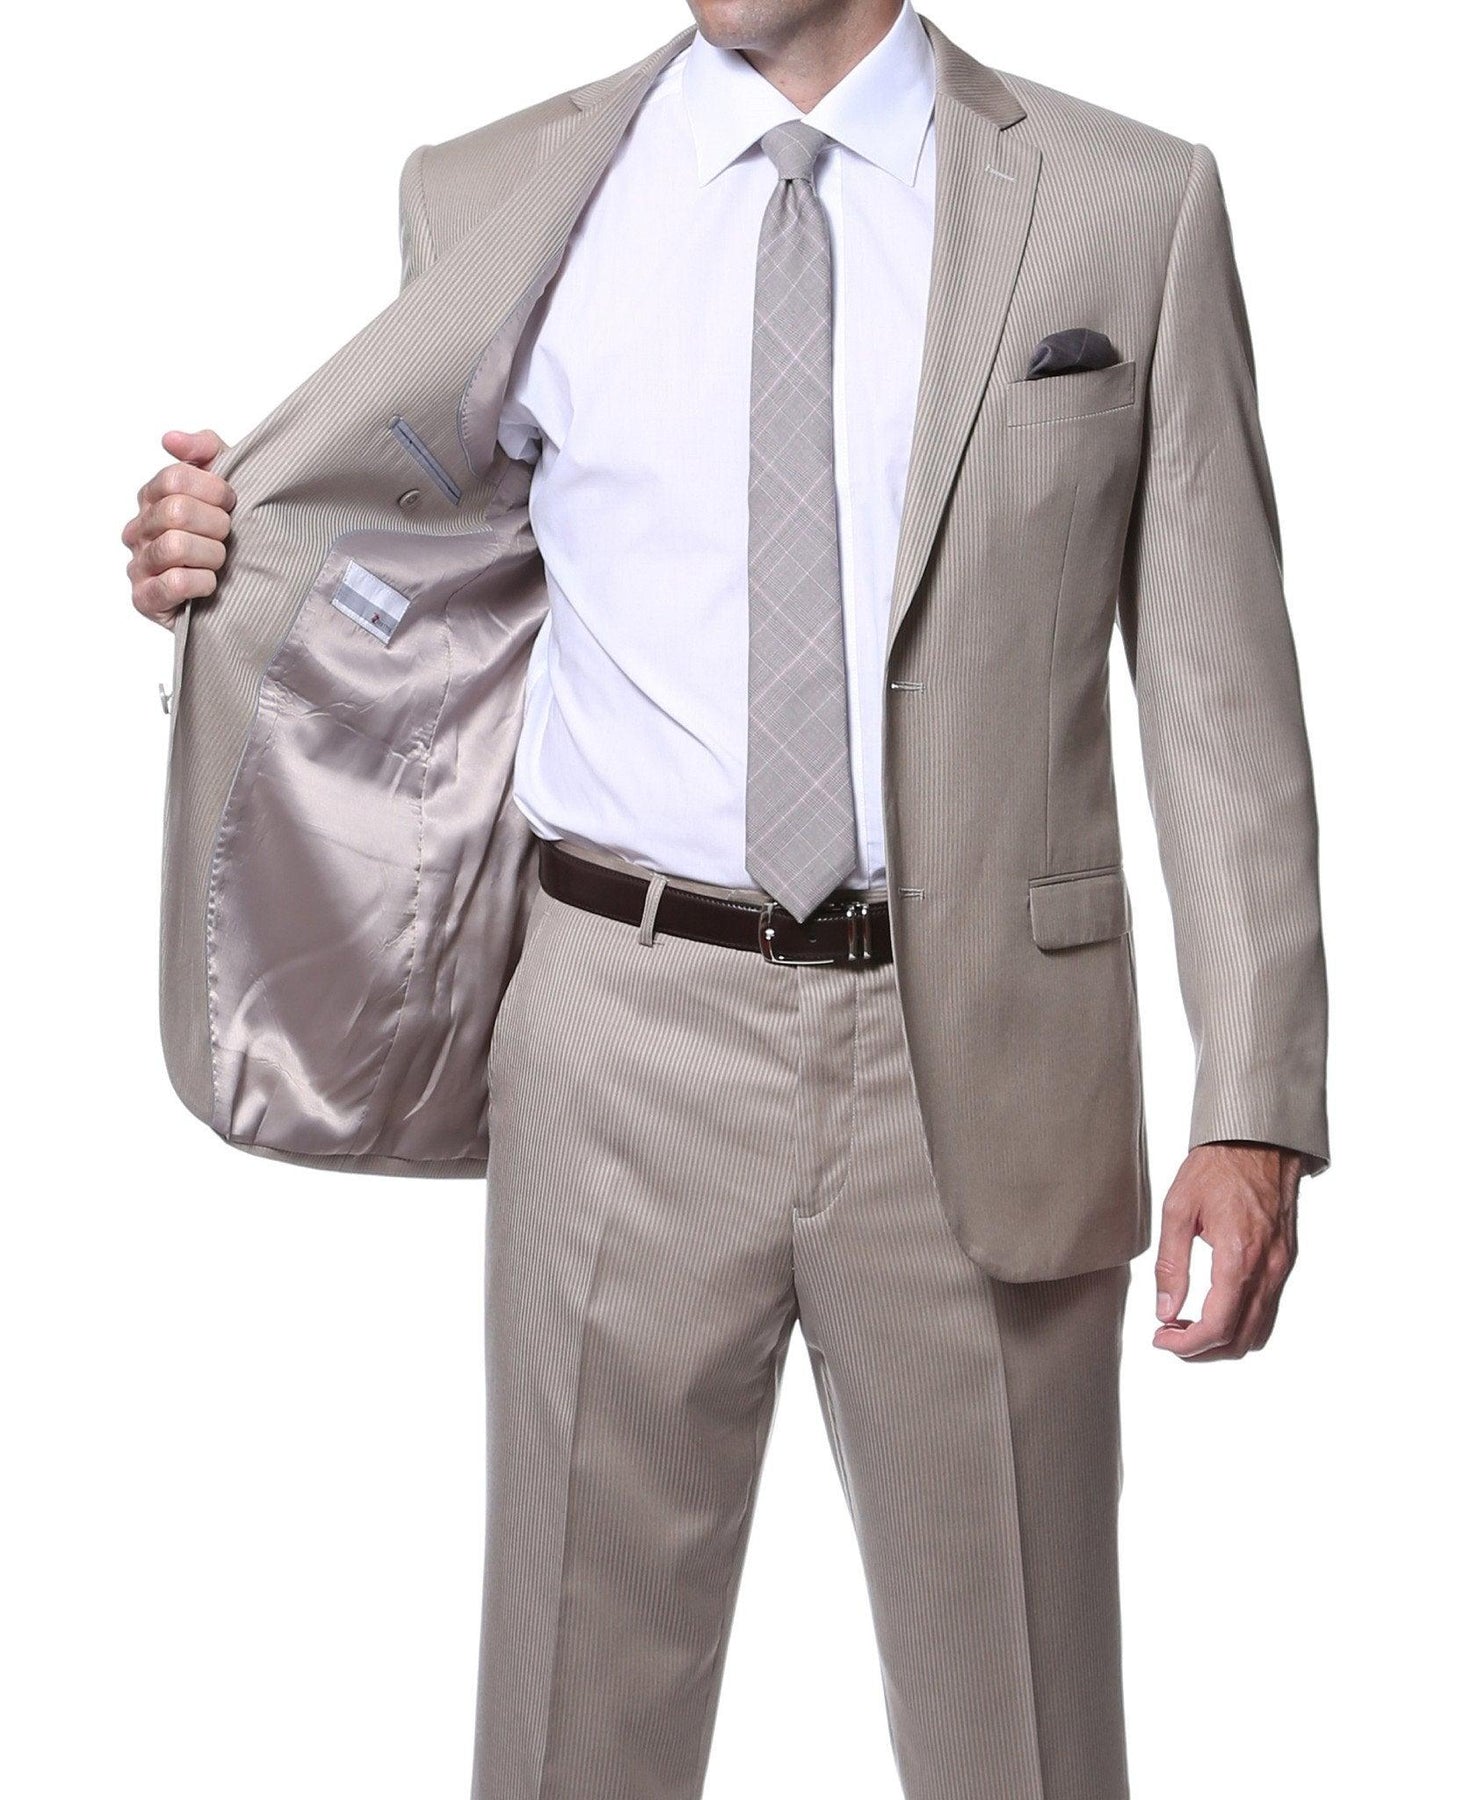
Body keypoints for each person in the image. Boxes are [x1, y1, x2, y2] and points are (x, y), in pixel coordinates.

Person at [121, 3, 1328, 1795]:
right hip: (614, 1038)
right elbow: (394, 572)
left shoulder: (1125, 205)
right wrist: (216, 570)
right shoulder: (494, 195)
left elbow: (1219, 684)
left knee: (1028, 1740)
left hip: (982, 1057)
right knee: (571, 1736)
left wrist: (1256, 1107)